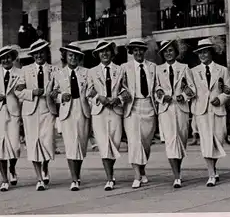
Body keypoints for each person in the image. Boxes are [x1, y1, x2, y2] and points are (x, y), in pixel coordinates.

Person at [15, 39, 59, 191]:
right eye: (36, 53)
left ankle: (45, 165)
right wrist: (32, 92)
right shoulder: (25, 70)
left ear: (46, 53)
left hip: (48, 110)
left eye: (42, 52)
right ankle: (39, 178)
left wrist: (55, 93)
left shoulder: (54, 70)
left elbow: (59, 88)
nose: (39, 55)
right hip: (30, 111)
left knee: (47, 142)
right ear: (32, 55)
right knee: (34, 143)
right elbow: (18, 90)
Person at [86, 40, 130, 191]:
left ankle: (111, 172)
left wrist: (119, 99)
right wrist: (99, 98)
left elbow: (126, 90)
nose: (104, 54)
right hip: (99, 113)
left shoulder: (120, 70)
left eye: (107, 51)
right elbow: (89, 92)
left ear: (112, 52)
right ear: (97, 54)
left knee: (115, 143)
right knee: (104, 144)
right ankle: (109, 178)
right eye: (101, 51)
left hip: (116, 111)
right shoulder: (91, 72)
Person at [190, 38, 230, 187]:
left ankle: (213, 168)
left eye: (205, 51)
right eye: (200, 52)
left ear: (211, 52)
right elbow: (190, 90)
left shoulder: (222, 70)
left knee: (218, 141)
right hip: (201, 111)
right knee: (206, 142)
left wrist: (220, 99)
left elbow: (229, 90)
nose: (202, 55)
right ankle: (211, 174)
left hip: (218, 111)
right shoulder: (193, 72)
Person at [155, 39, 196, 188]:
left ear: (176, 52)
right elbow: (156, 88)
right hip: (166, 109)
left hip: (181, 109)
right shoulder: (158, 70)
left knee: (181, 140)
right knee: (171, 142)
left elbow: (192, 88)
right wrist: (161, 96)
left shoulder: (184, 68)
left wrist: (184, 96)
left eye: (170, 50)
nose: (168, 53)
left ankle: (178, 169)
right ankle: (176, 176)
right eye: (165, 51)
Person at [50, 42, 91, 191]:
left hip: (82, 110)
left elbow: (91, 91)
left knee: (81, 145)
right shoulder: (58, 74)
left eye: (75, 56)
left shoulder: (87, 73)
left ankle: (77, 174)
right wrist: (61, 97)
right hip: (67, 112)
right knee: (70, 145)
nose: (73, 58)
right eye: (70, 55)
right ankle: (74, 179)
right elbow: (53, 94)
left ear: (79, 57)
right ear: (65, 57)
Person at [0, 45, 23, 191]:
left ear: (13, 58)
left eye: (8, 57)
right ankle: (4, 179)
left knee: (14, 146)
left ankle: (12, 167)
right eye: (3, 58)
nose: (6, 60)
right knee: (0, 145)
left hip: (13, 111)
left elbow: (22, 89)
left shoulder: (20, 73)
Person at [121, 38, 158, 189]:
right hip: (132, 107)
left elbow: (157, 86)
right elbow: (120, 85)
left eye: (141, 49)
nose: (138, 52)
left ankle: (142, 169)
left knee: (145, 143)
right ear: (131, 52)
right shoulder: (125, 67)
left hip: (149, 106)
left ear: (144, 51)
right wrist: (124, 92)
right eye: (135, 50)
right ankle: (136, 175)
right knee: (134, 141)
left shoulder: (153, 67)